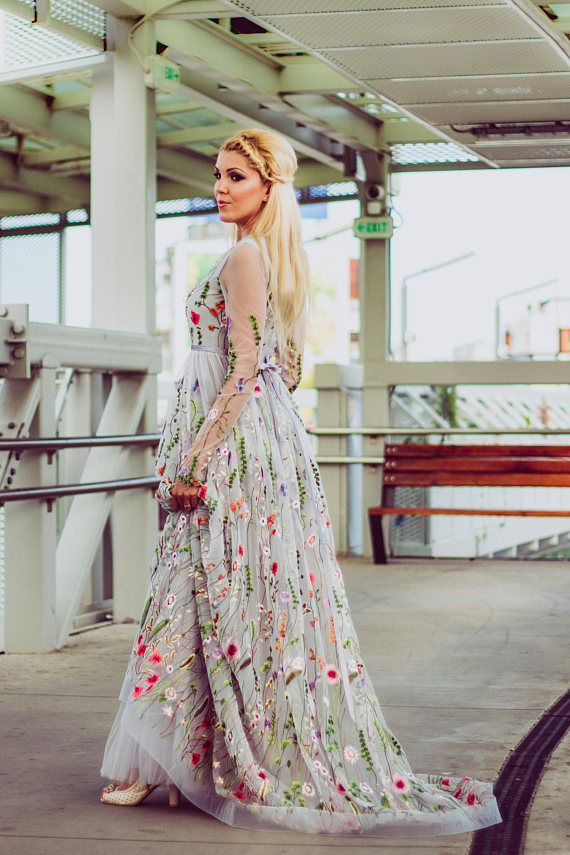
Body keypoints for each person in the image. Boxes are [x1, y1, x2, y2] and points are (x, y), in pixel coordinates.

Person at [100, 128, 502, 837]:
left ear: (267, 188)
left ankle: (169, 761)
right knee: (217, 592)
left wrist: (197, 456)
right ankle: (176, 760)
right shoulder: (275, 256)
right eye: (218, 174)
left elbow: (247, 367)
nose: (220, 186)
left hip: (230, 449)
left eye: (235, 176)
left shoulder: (245, 255)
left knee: (200, 587)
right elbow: (288, 371)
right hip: (257, 445)